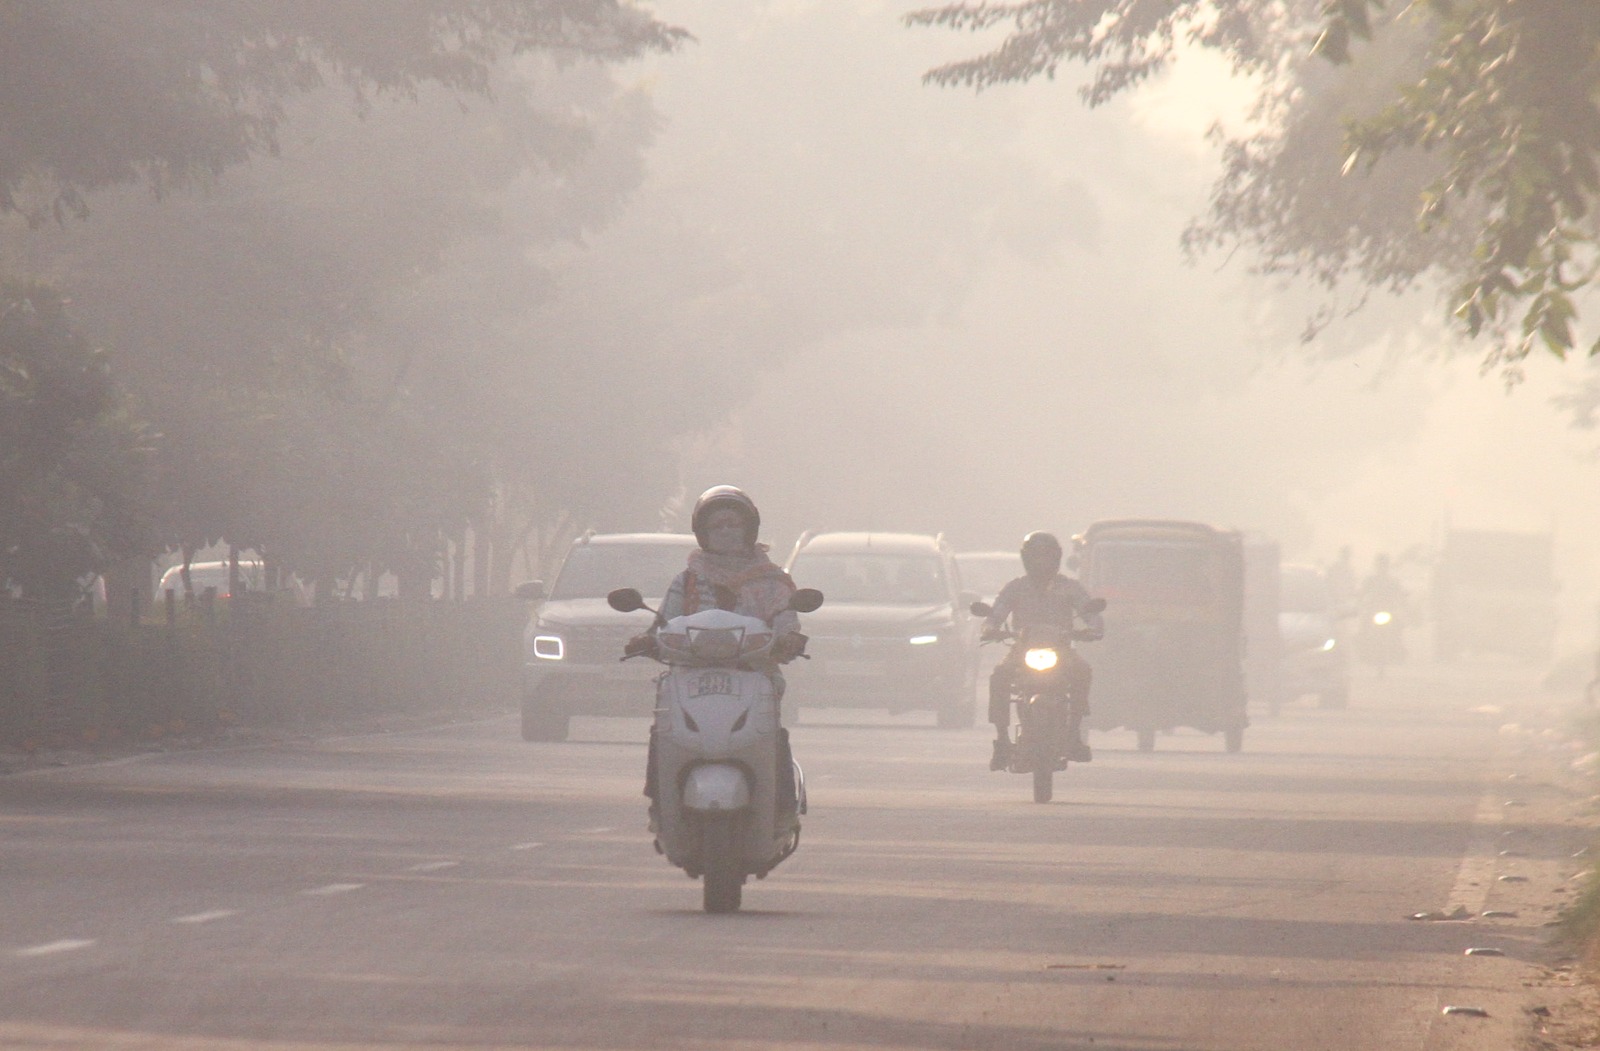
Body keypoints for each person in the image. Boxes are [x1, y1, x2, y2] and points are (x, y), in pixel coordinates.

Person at [629, 485, 807, 828]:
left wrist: (789, 640)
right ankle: (660, 803)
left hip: (755, 676)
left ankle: (782, 806)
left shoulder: (774, 580)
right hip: (690, 678)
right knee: (662, 731)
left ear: (749, 530)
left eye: (733, 525)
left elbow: (787, 619)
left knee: (773, 736)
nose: (726, 533)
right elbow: (663, 623)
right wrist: (646, 641)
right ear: (703, 534)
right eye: (717, 527)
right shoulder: (688, 581)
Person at [983, 531, 1104, 771]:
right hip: (1021, 650)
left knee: (1082, 671)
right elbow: (996, 614)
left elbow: (1092, 615)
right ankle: (1002, 741)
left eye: (1046, 557)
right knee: (999, 676)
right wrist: (990, 628)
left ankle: (1074, 736)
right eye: (1036, 557)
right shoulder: (1015, 588)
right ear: (1026, 559)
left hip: (1061, 651)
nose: (1041, 563)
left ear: (1056, 559)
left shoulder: (1070, 588)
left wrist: (1093, 630)